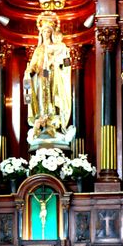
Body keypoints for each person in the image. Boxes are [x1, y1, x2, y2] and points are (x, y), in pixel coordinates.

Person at [23, 13, 74, 146]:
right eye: (43, 31)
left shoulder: (60, 46)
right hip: (41, 78)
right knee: (41, 99)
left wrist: (59, 62)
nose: (46, 33)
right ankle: (41, 120)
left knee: (54, 97)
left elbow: (68, 64)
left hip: (54, 77)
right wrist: (29, 72)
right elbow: (33, 65)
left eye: (48, 31)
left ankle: (55, 122)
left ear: (52, 32)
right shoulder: (38, 49)